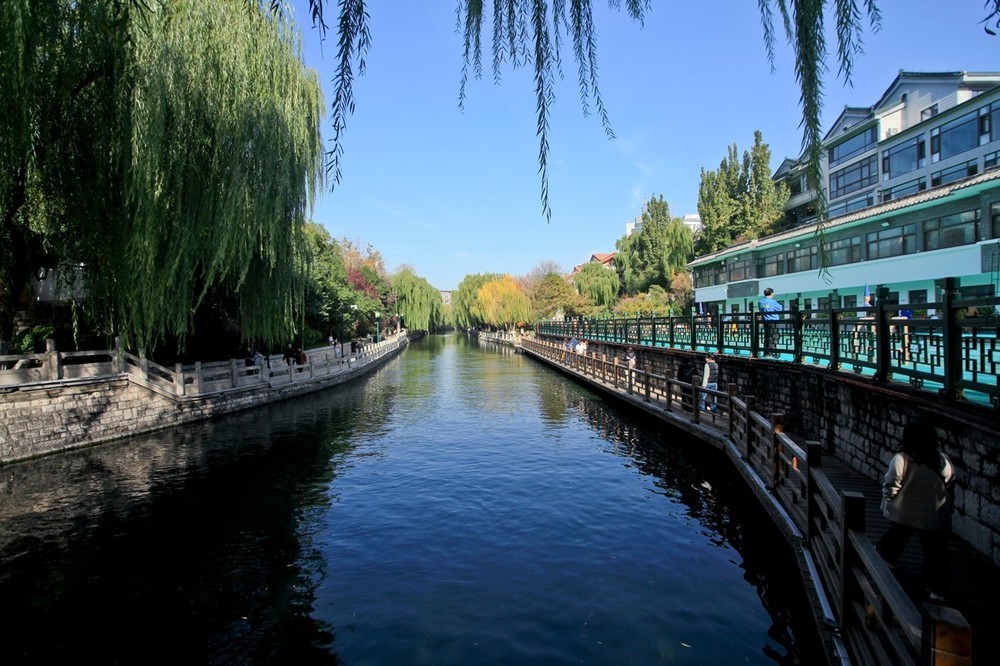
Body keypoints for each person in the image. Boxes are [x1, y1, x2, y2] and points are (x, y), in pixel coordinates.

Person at [876, 421, 955, 600]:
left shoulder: (902, 459)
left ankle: (886, 558)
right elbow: (950, 482)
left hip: (905, 512)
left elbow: (892, 482)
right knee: (934, 552)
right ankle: (936, 589)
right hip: (933, 514)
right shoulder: (942, 460)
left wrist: (890, 499)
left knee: (897, 535)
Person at [759, 287, 783, 357]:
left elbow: (760, 310)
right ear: (771, 294)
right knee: (774, 336)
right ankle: (771, 352)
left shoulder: (761, 302)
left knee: (766, 336)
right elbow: (780, 308)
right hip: (773, 321)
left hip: (765, 321)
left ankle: (766, 352)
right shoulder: (773, 302)